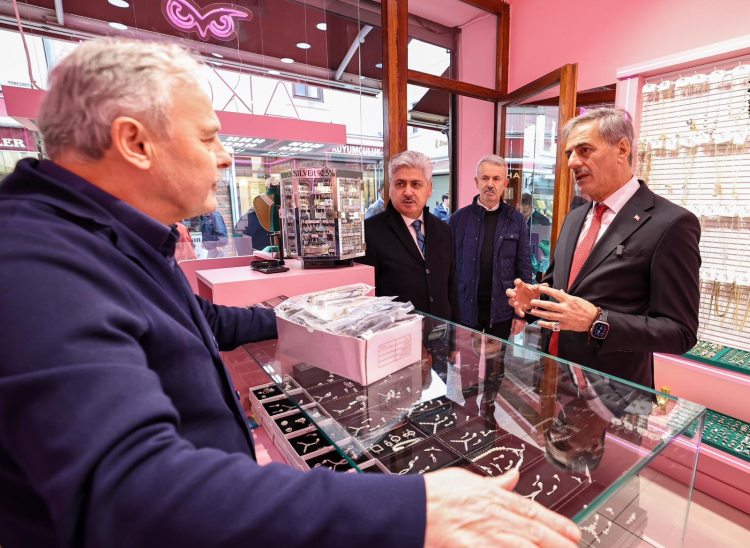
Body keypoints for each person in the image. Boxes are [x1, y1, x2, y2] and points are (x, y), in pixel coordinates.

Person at [0, 39, 581, 548]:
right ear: (135, 142)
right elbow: (133, 492)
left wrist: (318, 316)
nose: (225, 155)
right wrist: (412, 510)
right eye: (208, 136)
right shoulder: (36, 262)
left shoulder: (106, 240)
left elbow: (202, 322)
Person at [507, 107, 701, 388]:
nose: (572, 162)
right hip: (552, 379)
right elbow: (561, 292)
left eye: (584, 150)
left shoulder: (670, 223)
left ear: (622, 150)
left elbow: (681, 332)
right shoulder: (574, 218)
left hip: (614, 395)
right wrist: (535, 301)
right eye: (569, 154)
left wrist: (597, 322)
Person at [358, 151, 461, 323]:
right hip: (397, 333)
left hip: (441, 331)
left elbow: (451, 285)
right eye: (400, 184)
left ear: (429, 189)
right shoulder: (370, 231)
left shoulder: (443, 229)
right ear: (390, 188)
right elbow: (367, 298)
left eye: (416, 184)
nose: (408, 192)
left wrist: (456, 332)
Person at [449, 155, 533, 340]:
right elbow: (448, 268)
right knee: (464, 358)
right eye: (485, 178)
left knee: (497, 358)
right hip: (465, 306)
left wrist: (521, 313)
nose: (490, 184)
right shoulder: (458, 219)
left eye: (496, 179)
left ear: (505, 183)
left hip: (503, 307)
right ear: (476, 181)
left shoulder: (516, 220)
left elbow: (524, 267)